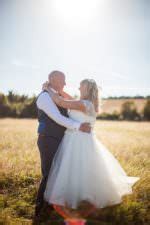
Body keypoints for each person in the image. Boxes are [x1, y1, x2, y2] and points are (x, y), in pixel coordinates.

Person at [43, 78, 139, 210]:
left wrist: (48, 89)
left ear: (87, 89)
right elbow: (70, 99)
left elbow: (61, 102)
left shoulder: (84, 104)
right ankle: (81, 195)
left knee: (76, 168)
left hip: (78, 140)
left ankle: (79, 197)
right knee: (80, 168)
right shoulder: (87, 103)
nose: (78, 89)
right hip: (79, 139)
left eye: (80, 87)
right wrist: (60, 90)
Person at [35, 71, 91, 217]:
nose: (65, 84)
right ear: (52, 79)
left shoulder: (57, 96)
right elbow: (56, 117)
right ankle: (40, 208)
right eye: (62, 80)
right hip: (48, 139)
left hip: (61, 139)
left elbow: (64, 105)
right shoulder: (44, 97)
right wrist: (78, 126)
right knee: (48, 173)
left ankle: (51, 205)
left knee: (57, 174)